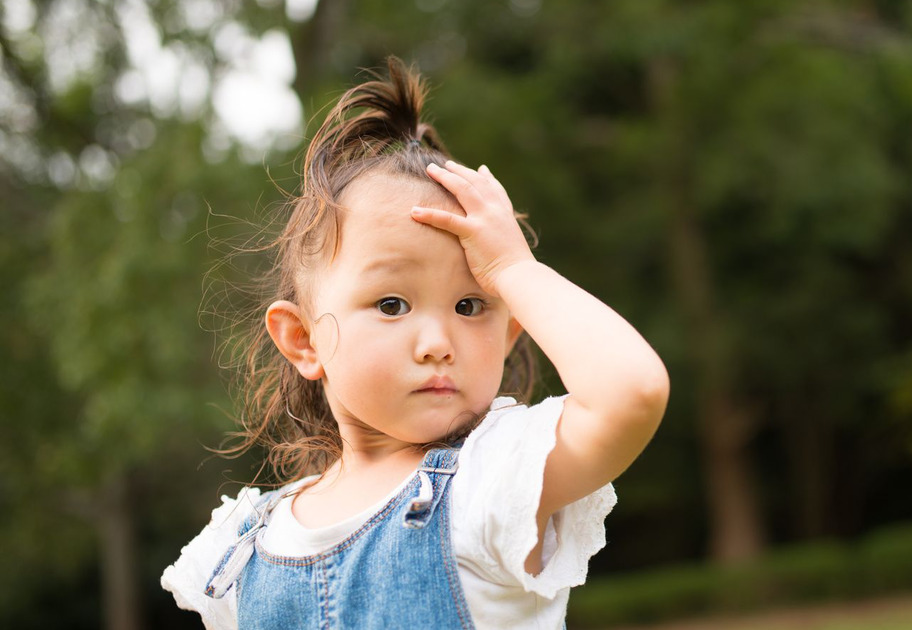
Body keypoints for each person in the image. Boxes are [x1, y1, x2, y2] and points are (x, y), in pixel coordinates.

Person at [161, 57, 669, 629]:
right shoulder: (243, 544)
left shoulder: (491, 481)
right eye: (391, 305)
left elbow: (633, 391)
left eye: (470, 306)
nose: (436, 344)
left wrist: (513, 268)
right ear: (303, 340)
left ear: (509, 333)